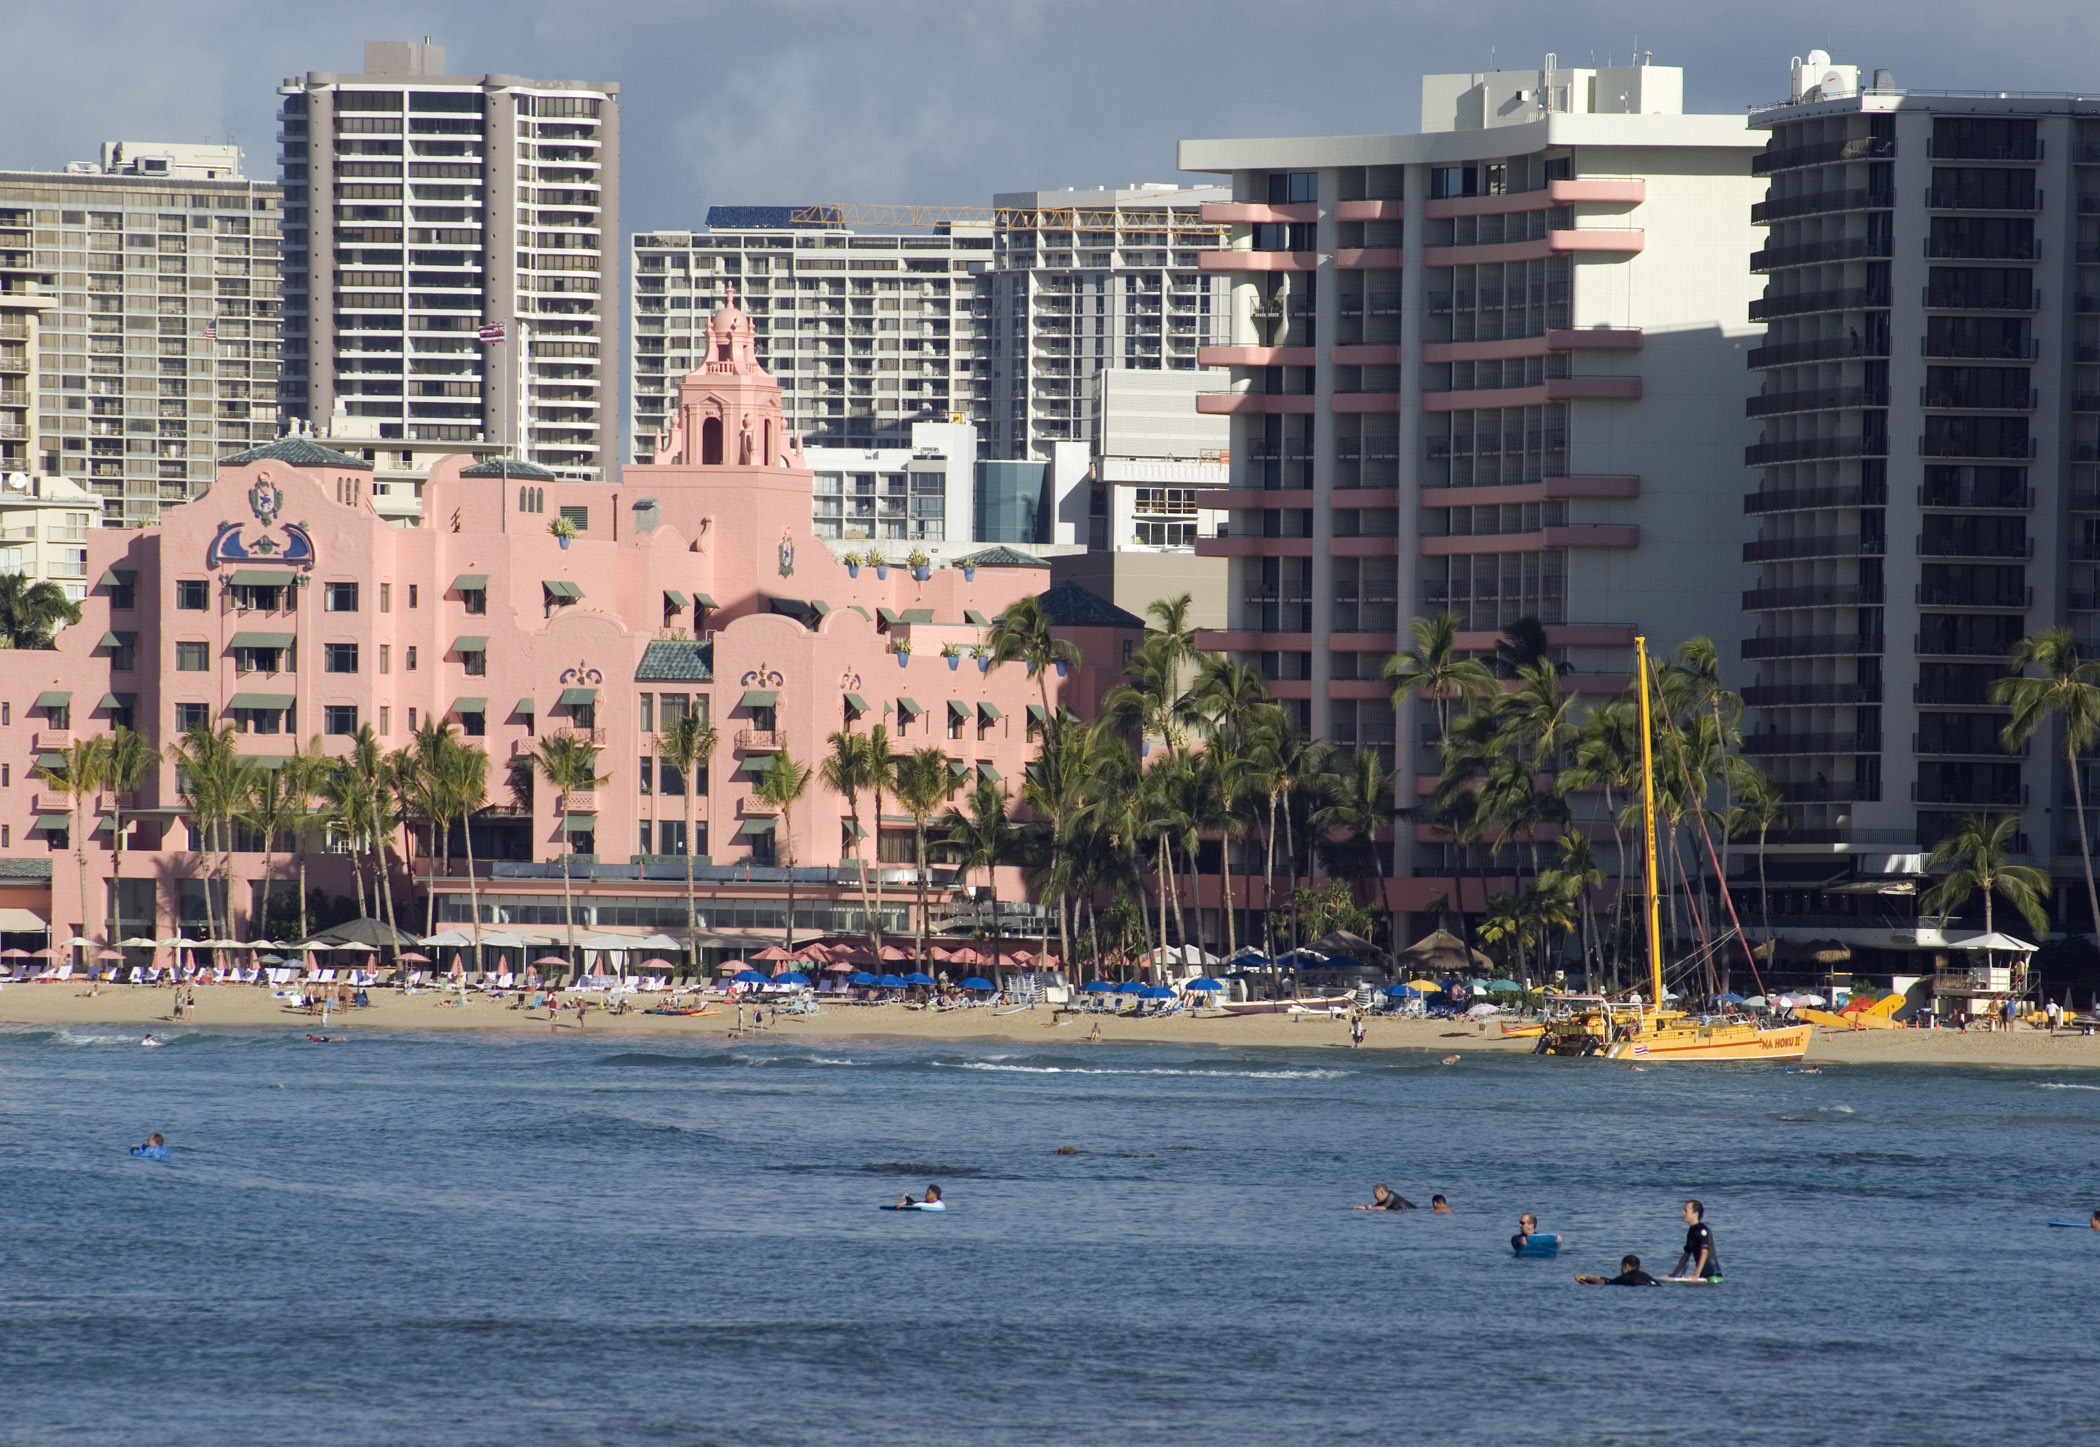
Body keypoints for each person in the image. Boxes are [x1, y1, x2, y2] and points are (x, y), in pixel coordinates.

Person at [1672, 1199, 1721, 1280]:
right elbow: (1686, 1255)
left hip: (1713, 1276)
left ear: (1695, 1213)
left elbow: (1704, 1252)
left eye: (1685, 1210)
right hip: (1702, 1276)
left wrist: (1696, 1274)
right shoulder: (1692, 1230)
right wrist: (1674, 1274)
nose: (1683, 1213)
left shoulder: (1702, 1230)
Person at [1579, 1254, 1658, 1286]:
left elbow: (1604, 1283)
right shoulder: (1646, 1275)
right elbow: (1612, 1280)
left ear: (1625, 1265)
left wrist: (1586, 1278)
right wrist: (1595, 1276)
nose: (1621, 1269)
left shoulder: (1626, 1277)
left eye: (1621, 1266)